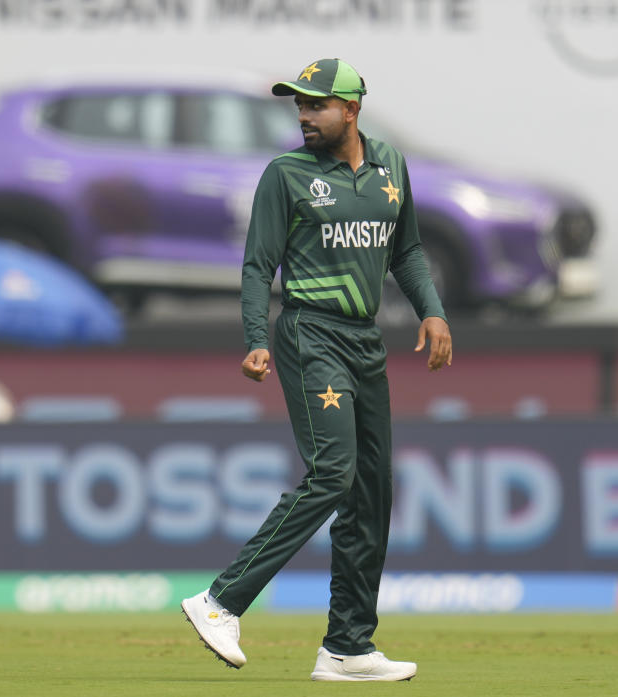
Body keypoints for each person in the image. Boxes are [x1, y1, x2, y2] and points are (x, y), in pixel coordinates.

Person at [181, 58, 452, 682]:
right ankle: (221, 601)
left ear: (351, 110)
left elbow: (406, 249)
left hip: (365, 340)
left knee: (372, 490)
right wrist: (255, 338)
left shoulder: (392, 166)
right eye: (298, 106)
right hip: (310, 332)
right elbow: (257, 266)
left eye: (315, 105)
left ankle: (347, 647)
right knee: (334, 471)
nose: (303, 116)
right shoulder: (286, 174)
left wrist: (431, 312)